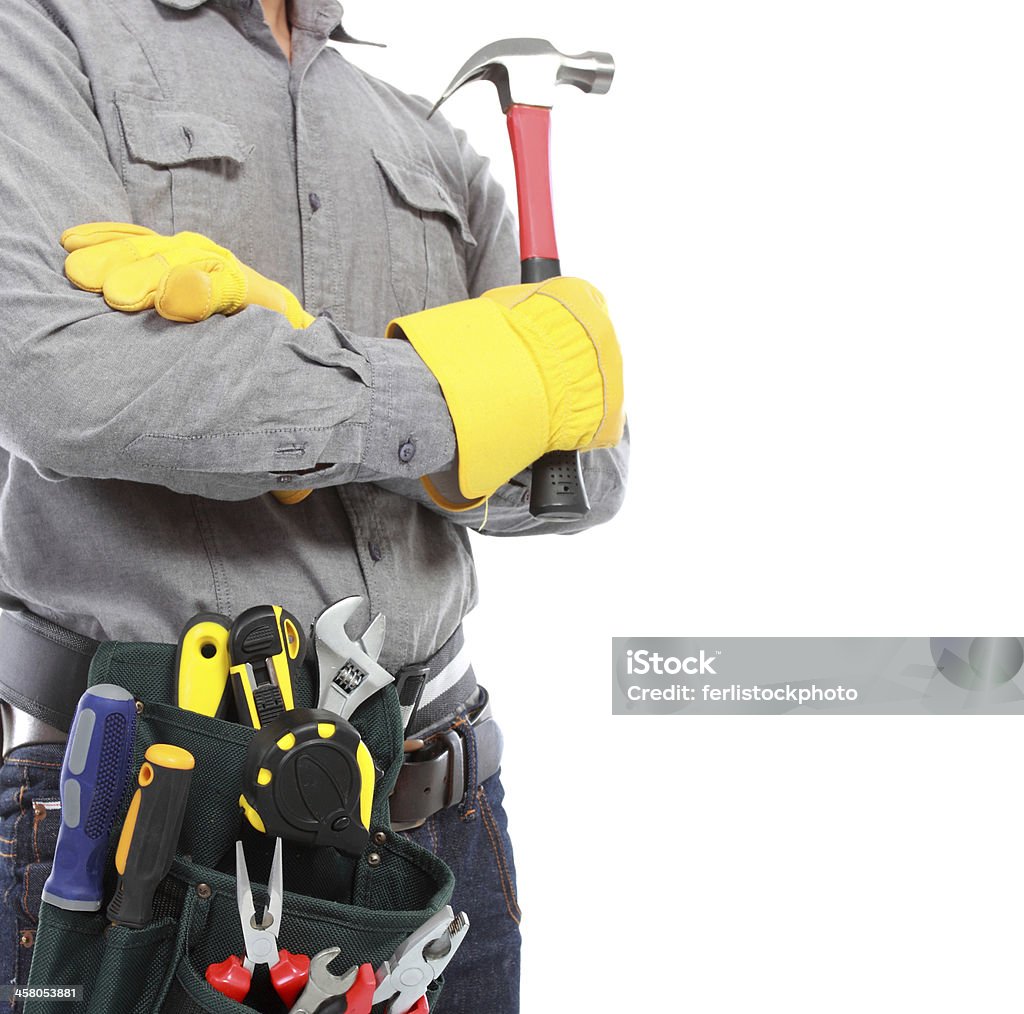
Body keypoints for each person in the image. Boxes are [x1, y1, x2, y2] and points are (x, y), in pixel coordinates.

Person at [0, 1, 628, 1011]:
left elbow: (581, 477)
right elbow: (61, 388)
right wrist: (467, 396)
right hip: (150, 801)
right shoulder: (43, 34)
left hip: (440, 808)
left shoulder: (427, 139)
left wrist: (284, 372)